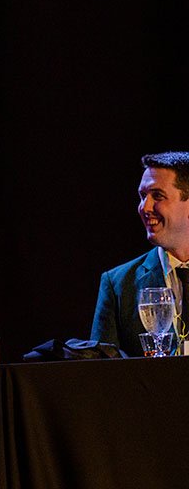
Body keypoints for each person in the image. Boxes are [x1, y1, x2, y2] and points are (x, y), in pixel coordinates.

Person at [92, 151, 189, 356]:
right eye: (142, 196)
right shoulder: (118, 283)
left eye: (158, 196)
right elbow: (99, 374)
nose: (144, 207)